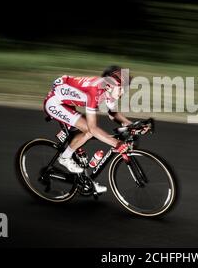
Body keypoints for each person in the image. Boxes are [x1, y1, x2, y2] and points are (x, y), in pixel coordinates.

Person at [43, 65, 136, 194]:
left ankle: (86, 180)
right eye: (121, 89)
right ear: (109, 85)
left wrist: (133, 125)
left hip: (66, 102)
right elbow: (92, 129)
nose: (122, 93)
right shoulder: (95, 90)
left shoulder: (107, 90)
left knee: (85, 139)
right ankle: (64, 157)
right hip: (55, 103)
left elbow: (113, 114)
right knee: (88, 130)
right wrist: (117, 143)